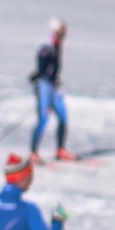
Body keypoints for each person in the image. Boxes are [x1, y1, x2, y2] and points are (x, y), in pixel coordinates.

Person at [28, 18, 75, 163]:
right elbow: (42, 70)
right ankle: (33, 152)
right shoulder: (46, 46)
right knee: (43, 119)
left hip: (54, 87)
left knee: (63, 118)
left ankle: (60, 149)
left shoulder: (57, 45)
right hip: (45, 87)